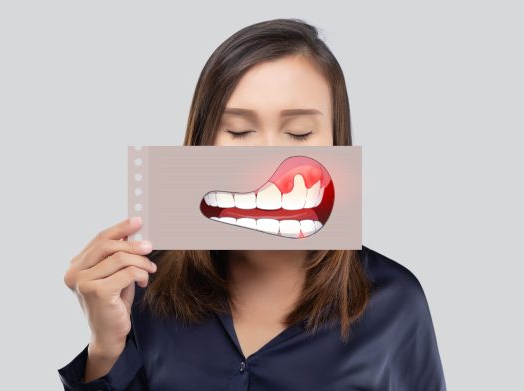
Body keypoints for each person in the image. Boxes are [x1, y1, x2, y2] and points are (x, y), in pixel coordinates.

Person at [58, 18, 447, 390]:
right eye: (240, 131)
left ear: (337, 143)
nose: (268, 158)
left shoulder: (395, 302)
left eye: (299, 132)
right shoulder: (146, 290)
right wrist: (106, 348)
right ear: (203, 143)